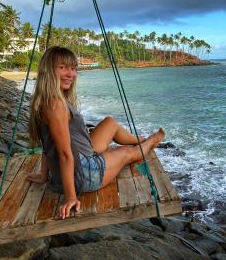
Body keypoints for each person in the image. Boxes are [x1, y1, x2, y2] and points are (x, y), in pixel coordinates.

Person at [26, 46, 165, 219]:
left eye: (74, 68)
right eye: (63, 67)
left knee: (110, 123)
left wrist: (43, 174)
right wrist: (71, 197)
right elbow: (63, 154)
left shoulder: (48, 99)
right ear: (48, 70)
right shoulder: (56, 105)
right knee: (126, 153)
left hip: (82, 155)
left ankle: (139, 139)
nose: (71, 74)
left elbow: (47, 144)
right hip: (83, 175)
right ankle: (150, 142)